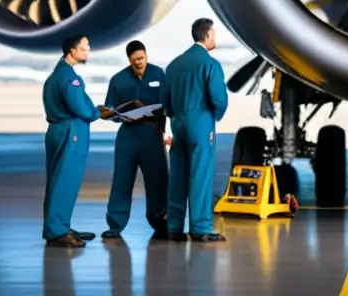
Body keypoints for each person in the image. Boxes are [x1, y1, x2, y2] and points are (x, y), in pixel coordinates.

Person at [42, 35, 113, 247]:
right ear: (72, 51)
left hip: (56, 130)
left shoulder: (55, 75)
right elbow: (80, 108)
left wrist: (93, 110)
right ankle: (57, 231)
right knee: (65, 182)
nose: (88, 50)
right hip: (70, 132)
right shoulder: (70, 78)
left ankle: (61, 225)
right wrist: (96, 112)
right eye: (85, 47)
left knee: (57, 181)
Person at [164, 18, 229, 242]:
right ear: (207, 36)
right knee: (200, 175)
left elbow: (166, 102)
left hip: (178, 124)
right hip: (201, 124)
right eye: (214, 34)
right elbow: (219, 98)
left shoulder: (173, 65)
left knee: (178, 176)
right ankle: (200, 227)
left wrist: (176, 116)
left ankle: (174, 226)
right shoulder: (210, 64)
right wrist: (214, 117)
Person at [102, 40, 169, 240]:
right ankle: (115, 224)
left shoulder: (159, 74)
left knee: (158, 179)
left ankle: (159, 220)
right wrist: (113, 114)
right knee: (122, 179)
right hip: (128, 136)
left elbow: (168, 105)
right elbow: (109, 109)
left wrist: (162, 129)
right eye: (135, 60)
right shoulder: (118, 80)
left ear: (146, 56)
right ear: (129, 60)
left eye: (142, 58)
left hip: (152, 134)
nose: (139, 63)